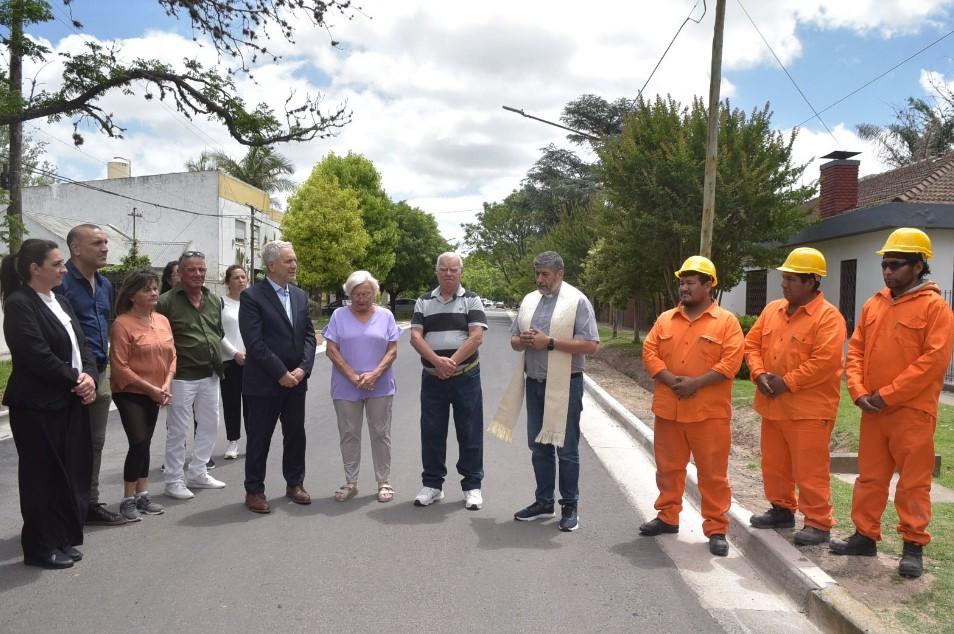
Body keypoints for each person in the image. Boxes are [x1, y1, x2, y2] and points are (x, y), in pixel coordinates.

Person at [830, 228, 954, 578]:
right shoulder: (874, 303)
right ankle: (864, 535)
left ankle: (913, 546)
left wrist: (887, 395)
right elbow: (855, 350)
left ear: (918, 266)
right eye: (885, 264)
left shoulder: (935, 308)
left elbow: (932, 363)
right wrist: (857, 390)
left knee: (914, 482)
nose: (888, 271)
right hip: (873, 410)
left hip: (911, 412)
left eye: (896, 265)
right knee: (870, 478)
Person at [2, 239, 97, 569]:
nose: (64, 269)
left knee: (68, 475)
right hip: (37, 406)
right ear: (35, 269)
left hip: (69, 400)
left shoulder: (61, 301)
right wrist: (75, 379)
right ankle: (39, 547)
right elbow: (35, 354)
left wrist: (89, 376)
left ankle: (60, 537)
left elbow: (82, 344)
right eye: (57, 264)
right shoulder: (19, 304)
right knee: (41, 478)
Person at [640, 256, 744, 557]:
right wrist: (671, 379)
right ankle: (667, 516)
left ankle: (716, 528)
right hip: (669, 410)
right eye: (682, 282)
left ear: (709, 285)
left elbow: (731, 362)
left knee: (713, 474)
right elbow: (649, 352)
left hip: (708, 414)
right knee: (668, 469)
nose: (684, 288)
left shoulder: (726, 323)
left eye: (690, 282)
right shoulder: (665, 320)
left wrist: (695, 384)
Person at [490, 251, 599, 532]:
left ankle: (570, 505)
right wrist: (523, 340)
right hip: (535, 382)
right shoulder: (529, 300)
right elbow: (515, 341)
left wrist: (549, 342)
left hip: (566, 384)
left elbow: (590, 344)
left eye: (545, 274)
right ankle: (543, 501)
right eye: (537, 273)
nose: (540, 279)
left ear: (559, 274)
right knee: (538, 446)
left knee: (565, 447)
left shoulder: (577, 301)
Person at [744, 248, 846, 546]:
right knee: (774, 464)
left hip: (809, 410)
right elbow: (751, 344)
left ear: (812, 281)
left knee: (809, 469)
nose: (784, 284)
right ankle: (781, 509)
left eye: (791, 279)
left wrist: (787, 382)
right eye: (784, 278)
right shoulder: (772, 310)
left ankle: (818, 522)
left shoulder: (829, 318)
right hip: (773, 404)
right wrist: (759, 374)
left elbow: (824, 361)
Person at [54, 223, 126, 526]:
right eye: (97, 242)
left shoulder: (106, 284)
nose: (105, 248)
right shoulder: (61, 283)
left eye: (106, 242)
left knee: (95, 442)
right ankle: (65, 505)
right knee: (67, 444)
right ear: (75, 248)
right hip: (70, 376)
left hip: (99, 370)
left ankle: (89, 502)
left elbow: (104, 325)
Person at [239, 240, 316, 514]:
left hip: (296, 382)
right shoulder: (252, 297)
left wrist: (302, 369)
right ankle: (255, 491)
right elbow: (255, 342)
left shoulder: (299, 296)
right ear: (271, 265)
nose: (294, 265)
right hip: (264, 383)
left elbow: (309, 335)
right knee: (260, 437)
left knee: (295, 434)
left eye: (294, 260)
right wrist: (280, 372)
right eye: (288, 261)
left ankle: (295, 484)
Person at [409, 252, 487, 510]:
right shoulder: (423, 301)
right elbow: (416, 338)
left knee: (470, 431)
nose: (449, 273)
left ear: (461, 272)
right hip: (433, 379)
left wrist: (450, 362)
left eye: (454, 269)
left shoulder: (472, 300)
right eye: (444, 269)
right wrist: (437, 362)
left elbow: (476, 337)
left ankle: (472, 486)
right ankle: (432, 485)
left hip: (466, 377)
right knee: (431, 431)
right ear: (437, 271)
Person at [323, 270, 401, 503]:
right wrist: (353, 376)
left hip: (380, 384)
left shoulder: (386, 316)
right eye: (357, 294)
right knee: (348, 434)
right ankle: (351, 482)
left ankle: (383, 481)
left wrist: (374, 375)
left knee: (380, 433)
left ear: (375, 293)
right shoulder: (338, 315)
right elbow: (331, 349)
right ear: (349, 293)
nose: (362, 298)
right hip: (347, 385)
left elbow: (392, 350)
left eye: (366, 293)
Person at [156, 251, 227, 500]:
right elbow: (159, 340)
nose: (198, 274)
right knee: (178, 429)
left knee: (209, 424)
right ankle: (173, 479)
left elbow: (217, 332)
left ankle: (198, 472)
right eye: (191, 270)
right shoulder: (165, 302)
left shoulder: (213, 300)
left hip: (210, 373)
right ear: (180, 272)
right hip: (181, 376)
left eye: (201, 270)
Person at [110, 270, 176, 522]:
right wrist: (151, 389)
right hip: (131, 392)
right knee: (138, 441)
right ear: (132, 295)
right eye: (147, 289)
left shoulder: (162, 320)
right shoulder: (122, 324)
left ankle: (143, 494)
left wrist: (167, 384)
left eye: (155, 288)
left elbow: (172, 356)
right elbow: (120, 367)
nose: (154, 293)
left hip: (157, 390)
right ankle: (128, 499)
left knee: (146, 442)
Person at [220, 264, 248, 460]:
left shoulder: (253, 302)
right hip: (229, 360)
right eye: (236, 277)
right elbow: (217, 331)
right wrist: (234, 352)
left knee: (253, 403)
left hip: (252, 360)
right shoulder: (221, 303)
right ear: (228, 281)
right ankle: (233, 442)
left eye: (243, 277)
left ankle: (254, 440)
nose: (241, 280)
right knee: (231, 403)